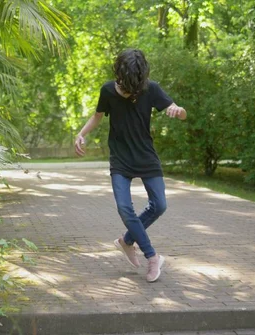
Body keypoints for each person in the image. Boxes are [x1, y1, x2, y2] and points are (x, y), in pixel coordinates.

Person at [74, 49, 187, 282]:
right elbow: (97, 116)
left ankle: (126, 241)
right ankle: (152, 257)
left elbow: (179, 111)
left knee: (160, 205)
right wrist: (81, 134)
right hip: (121, 159)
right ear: (120, 75)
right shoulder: (107, 90)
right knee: (124, 208)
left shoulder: (150, 88)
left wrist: (179, 111)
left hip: (146, 156)